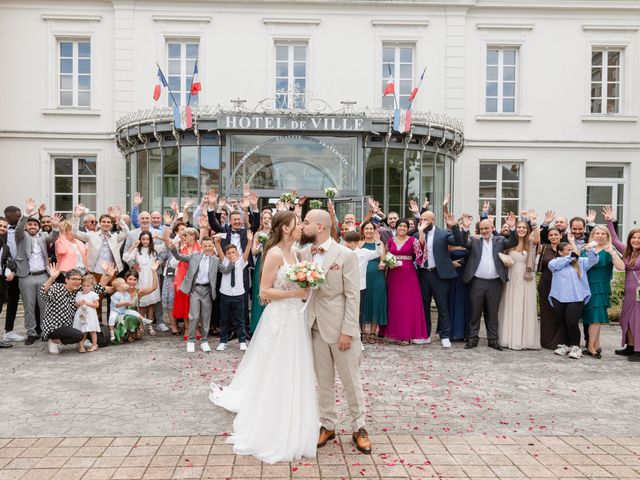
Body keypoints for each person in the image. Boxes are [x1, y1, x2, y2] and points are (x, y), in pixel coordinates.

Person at [210, 210, 317, 463]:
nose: (301, 226)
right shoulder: (275, 254)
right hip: (279, 316)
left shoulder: (296, 253)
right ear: (286, 228)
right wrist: (295, 294)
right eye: (297, 223)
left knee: (293, 364)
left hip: (295, 318)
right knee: (276, 364)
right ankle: (272, 413)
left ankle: (292, 410)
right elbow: (264, 291)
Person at [300, 209, 371, 455]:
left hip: (341, 328)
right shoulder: (303, 253)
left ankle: (359, 427)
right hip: (315, 327)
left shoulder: (345, 255)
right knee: (324, 381)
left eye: (306, 222)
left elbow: (353, 296)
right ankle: (328, 425)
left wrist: (348, 331)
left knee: (351, 380)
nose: (302, 226)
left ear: (320, 227)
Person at [462, 213, 518, 350]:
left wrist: (512, 227)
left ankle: (493, 340)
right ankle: (472, 339)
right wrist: (465, 228)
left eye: (487, 228)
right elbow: (462, 242)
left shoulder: (500, 240)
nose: (484, 231)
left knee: (493, 313)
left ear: (492, 228)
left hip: (495, 282)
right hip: (477, 282)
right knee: (475, 312)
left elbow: (513, 242)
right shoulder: (474, 240)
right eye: (482, 229)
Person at [414, 208, 463, 347]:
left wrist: (454, 226)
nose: (423, 222)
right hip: (423, 274)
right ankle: (425, 334)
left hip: (439, 274)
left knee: (442, 306)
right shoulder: (418, 234)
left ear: (433, 221)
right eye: (422, 219)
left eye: (426, 220)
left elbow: (458, 241)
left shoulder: (443, 233)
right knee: (424, 306)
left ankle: (445, 335)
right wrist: (421, 232)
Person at [15, 198, 61, 344]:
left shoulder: (42, 237)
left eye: (35, 224)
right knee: (28, 307)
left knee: (45, 306)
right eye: (30, 224)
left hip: (43, 276)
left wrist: (55, 227)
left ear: (39, 227)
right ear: (26, 226)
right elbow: (18, 228)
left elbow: (54, 237)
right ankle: (31, 333)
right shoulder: (21, 237)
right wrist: (27, 213)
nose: (33, 226)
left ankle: (45, 331)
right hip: (26, 277)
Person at [40, 263, 113, 355]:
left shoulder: (78, 291)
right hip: (55, 326)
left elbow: (95, 290)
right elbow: (43, 293)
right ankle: (55, 341)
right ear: (66, 280)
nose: (77, 282)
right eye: (74, 279)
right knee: (78, 335)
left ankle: (81, 340)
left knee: (101, 340)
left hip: (73, 324)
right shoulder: (57, 287)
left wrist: (109, 277)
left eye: (79, 279)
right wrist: (52, 278)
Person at [166, 235, 220, 353]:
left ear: (213, 247)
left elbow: (224, 269)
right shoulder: (194, 256)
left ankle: (204, 341)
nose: (207, 248)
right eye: (205, 246)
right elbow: (180, 257)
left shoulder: (215, 260)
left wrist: (232, 263)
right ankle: (191, 341)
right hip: (195, 289)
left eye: (210, 246)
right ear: (201, 246)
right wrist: (173, 249)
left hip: (207, 290)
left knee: (206, 317)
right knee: (194, 316)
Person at [498, 212, 541, 350]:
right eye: (519, 227)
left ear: (527, 230)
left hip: (526, 278)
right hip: (512, 278)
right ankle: (509, 338)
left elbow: (537, 239)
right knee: (511, 305)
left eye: (524, 227)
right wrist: (511, 226)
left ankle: (525, 340)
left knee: (525, 306)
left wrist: (534, 222)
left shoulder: (530, 242)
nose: (521, 229)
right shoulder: (510, 243)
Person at [549, 242, 599, 359]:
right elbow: (554, 266)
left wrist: (590, 250)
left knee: (572, 322)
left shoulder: (581, 261)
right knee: (562, 323)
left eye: (572, 249)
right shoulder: (555, 262)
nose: (571, 251)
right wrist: (570, 256)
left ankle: (576, 347)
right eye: (567, 250)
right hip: (558, 296)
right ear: (560, 252)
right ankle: (565, 345)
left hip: (576, 297)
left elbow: (594, 260)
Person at [581, 225, 624, 359]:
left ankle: (591, 347)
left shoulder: (609, 249)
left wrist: (612, 252)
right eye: (597, 233)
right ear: (592, 235)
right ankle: (596, 343)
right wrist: (584, 251)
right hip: (586, 287)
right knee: (592, 317)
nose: (600, 236)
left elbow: (621, 267)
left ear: (607, 235)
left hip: (600, 288)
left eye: (603, 233)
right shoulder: (586, 248)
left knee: (596, 317)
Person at [604, 206, 640, 362]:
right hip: (629, 293)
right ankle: (630, 346)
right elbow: (614, 239)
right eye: (634, 238)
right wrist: (609, 221)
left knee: (637, 321)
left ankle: (639, 350)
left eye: (639, 238)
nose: (636, 240)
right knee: (625, 320)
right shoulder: (626, 251)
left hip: (639, 294)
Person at [384, 218, 428, 344]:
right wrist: (388, 263)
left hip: (408, 274)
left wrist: (420, 232)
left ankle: (407, 335)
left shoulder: (412, 240)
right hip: (394, 275)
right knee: (395, 303)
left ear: (408, 228)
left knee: (408, 304)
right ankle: (396, 333)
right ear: (396, 228)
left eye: (405, 226)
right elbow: (387, 254)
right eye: (400, 226)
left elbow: (421, 250)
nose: (402, 228)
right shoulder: (390, 240)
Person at [214, 234, 253, 351]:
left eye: (233, 252)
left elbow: (246, 252)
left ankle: (242, 340)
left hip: (239, 295)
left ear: (237, 253)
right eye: (229, 253)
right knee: (224, 319)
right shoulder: (225, 261)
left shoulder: (241, 262)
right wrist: (217, 242)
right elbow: (219, 251)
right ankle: (223, 341)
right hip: (226, 294)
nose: (231, 255)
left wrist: (250, 241)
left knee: (240, 319)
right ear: (226, 255)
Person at [342, 230, 383, 336]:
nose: (347, 244)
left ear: (356, 243)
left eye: (349, 242)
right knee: (347, 310)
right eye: (346, 242)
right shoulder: (343, 253)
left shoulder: (364, 252)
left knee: (359, 311)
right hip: (346, 286)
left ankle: (358, 335)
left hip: (360, 286)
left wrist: (378, 242)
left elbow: (378, 253)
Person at [123, 231, 163, 335]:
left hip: (151, 277)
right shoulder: (137, 250)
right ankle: (141, 326)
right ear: (140, 239)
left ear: (150, 240)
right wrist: (133, 246)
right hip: (140, 278)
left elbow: (167, 246)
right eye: (143, 239)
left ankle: (150, 326)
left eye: (147, 239)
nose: (145, 241)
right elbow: (126, 257)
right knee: (140, 303)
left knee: (151, 304)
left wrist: (161, 238)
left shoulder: (154, 249)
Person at [106, 268, 158, 343]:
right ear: (126, 279)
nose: (132, 282)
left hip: (134, 319)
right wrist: (109, 276)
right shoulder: (118, 289)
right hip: (120, 318)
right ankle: (118, 333)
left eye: (135, 280)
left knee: (138, 335)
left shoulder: (139, 292)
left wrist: (153, 271)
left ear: (137, 281)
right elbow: (102, 287)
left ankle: (133, 331)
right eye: (130, 279)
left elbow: (154, 287)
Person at [359, 221, 387, 342]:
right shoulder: (360, 243)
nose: (369, 231)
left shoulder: (380, 243)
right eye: (367, 229)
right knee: (363, 303)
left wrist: (382, 262)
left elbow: (383, 258)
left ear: (375, 230)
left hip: (376, 276)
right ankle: (362, 331)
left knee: (375, 301)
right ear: (363, 231)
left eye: (371, 229)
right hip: (362, 276)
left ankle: (372, 333)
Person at [537, 227, 565, 349]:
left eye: (556, 235)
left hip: (562, 286)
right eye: (551, 235)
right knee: (547, 314)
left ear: (560, 235)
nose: (553, 237)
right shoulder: (544, 248)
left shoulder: (566, 248)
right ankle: (547, 342)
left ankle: (561, 341)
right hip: (546, 284)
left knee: (560, 313)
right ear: (548, 237)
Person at [172, 227, 201, 339]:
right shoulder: (181, 247)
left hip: (197, 279)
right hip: (183, 278)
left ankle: (196, 327)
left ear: (193, 236)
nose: (183, 237)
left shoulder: (200, 247)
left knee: (196, 304)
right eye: (182, 235)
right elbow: (175, 262)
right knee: (185, 303)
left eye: (185, 235)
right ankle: (187, 327)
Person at [249, 209, 272, 333]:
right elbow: (253, 252)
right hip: (261, 264)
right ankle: (257, 326)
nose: (267, 220)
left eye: (269, 218)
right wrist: (260, 246)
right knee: (259, 292)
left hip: (273, 264)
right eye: (264, 218)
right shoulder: (258, 234)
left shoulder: (275, 233)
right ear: (261, 221)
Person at [72, 275, 101, 353]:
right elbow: (76, 305)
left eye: (88, 286)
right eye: (84, 285)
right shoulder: (79, 294)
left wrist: (87, 303)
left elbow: (96, 305)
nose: (85, 287)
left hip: (90, 315)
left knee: (92, 330)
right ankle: (81, 346)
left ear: (92, 286)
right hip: (81, 315)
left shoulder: (93, 294)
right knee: (82, 331)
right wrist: (79, 303)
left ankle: (94, 345)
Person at [0, 218, 16, 348]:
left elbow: (9, 261)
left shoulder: (5, 246)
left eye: (5, 227)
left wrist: (10, 271)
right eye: (0, 226)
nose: (3, 228)